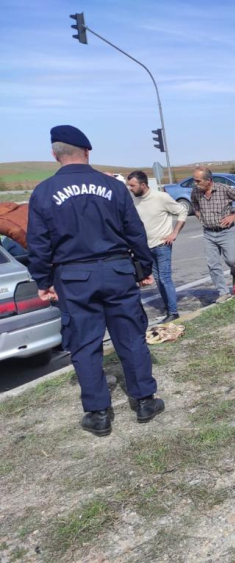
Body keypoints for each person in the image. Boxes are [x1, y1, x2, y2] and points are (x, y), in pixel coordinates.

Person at [26, 125, 164, 437]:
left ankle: (99, 414)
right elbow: (135, 232)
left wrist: (43, 281)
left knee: (85, 344)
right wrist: (142, 269)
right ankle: (144, 401)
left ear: (54, 154)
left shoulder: (44, 192)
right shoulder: (114, 187)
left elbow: (38, 244)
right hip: (116, 272)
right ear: (87, 152)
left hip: (73, 278)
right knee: (130, 337)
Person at [127, 170, 187, 323]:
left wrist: (174, 233)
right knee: (159, 279)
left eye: (132, 185)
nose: (130, 188)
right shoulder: (134, 199)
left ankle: (173, 312)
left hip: (162, 245)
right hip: (145, 247)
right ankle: (169, 308)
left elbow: (182, 211)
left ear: (143, 185)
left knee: (165, 278)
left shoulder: (161, 197)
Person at [190, 165, 235, 302]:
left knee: (231, 260)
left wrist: (234, 216)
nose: (195, 184)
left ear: (209, 180)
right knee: (213, 264)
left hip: (225, 232)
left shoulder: (224, 189)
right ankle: (223, 292)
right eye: (195, 180)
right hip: (208, 233)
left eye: (198, 181)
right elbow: (194, 203)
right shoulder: (196, 191)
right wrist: (199, 215)